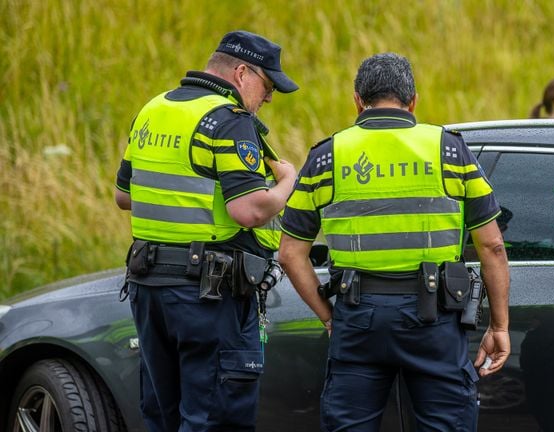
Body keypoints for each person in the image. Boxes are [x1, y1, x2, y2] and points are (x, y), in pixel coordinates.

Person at [278, 52, 511, 431]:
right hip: (434, 318)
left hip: (358, 318)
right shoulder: (450, 151)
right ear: (413, 99)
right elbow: (492, 247)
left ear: (357, 100)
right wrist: (499, 326)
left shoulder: (326, 157)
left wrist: (329, 318)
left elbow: (290, 254)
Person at [114, 30, 298, 432]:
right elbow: (248, 210)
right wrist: (287, 182)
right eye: (267, 87)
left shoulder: (152, 109)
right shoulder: (228, 121)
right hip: (207, 297)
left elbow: (123, 196)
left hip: (149, 288)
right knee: (215, 418)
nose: (267, 99)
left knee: (164, 414)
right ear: (241, 73)